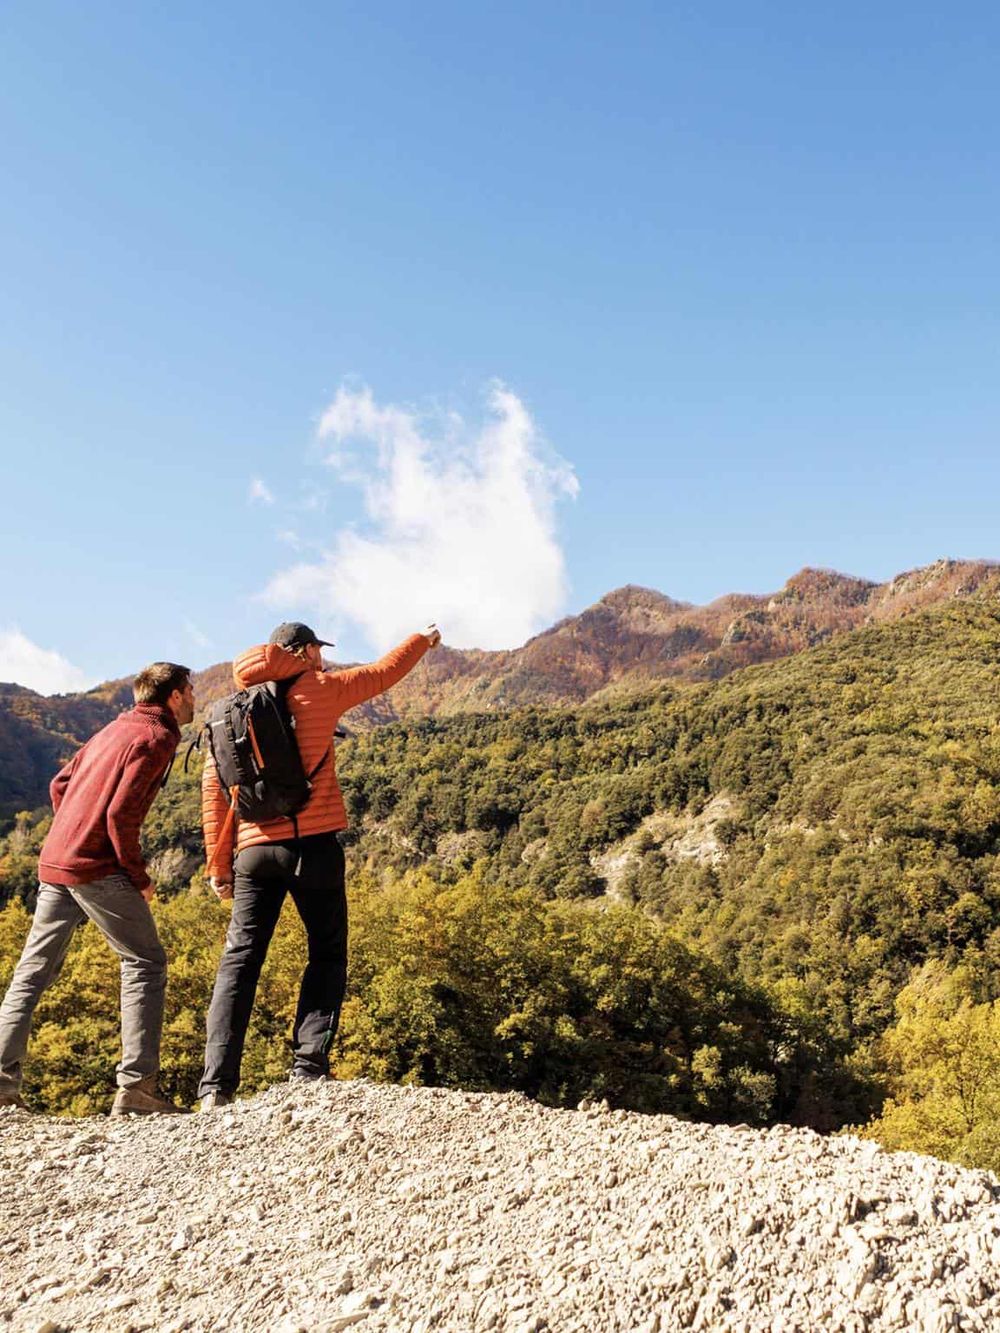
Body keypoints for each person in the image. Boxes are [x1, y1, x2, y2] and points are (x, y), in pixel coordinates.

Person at [197, 620, 440, 1109]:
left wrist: (217, 865)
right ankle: (307, 1069)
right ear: (305, 652)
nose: (323, 658)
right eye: (318, 650)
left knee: (240, 963)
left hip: (253, 852)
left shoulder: (227, 711)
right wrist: (422, 639)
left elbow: (214, 792)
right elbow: (383, 672)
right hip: (314, 846)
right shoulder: (321, 689)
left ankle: (215, 1087)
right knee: (326, 953)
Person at [0, 662, 194, 1115]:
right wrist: (139, 877)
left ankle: (2, 1085)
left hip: (56, 861)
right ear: (173, 697)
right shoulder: (155, 738)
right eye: (189, 690)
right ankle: (137, 1090)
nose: (193, 699)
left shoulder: (113, 729)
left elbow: (59, 783)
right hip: (96, 866)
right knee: (146, 962)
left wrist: (71, 828)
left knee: (32, 973)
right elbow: (119, 817)